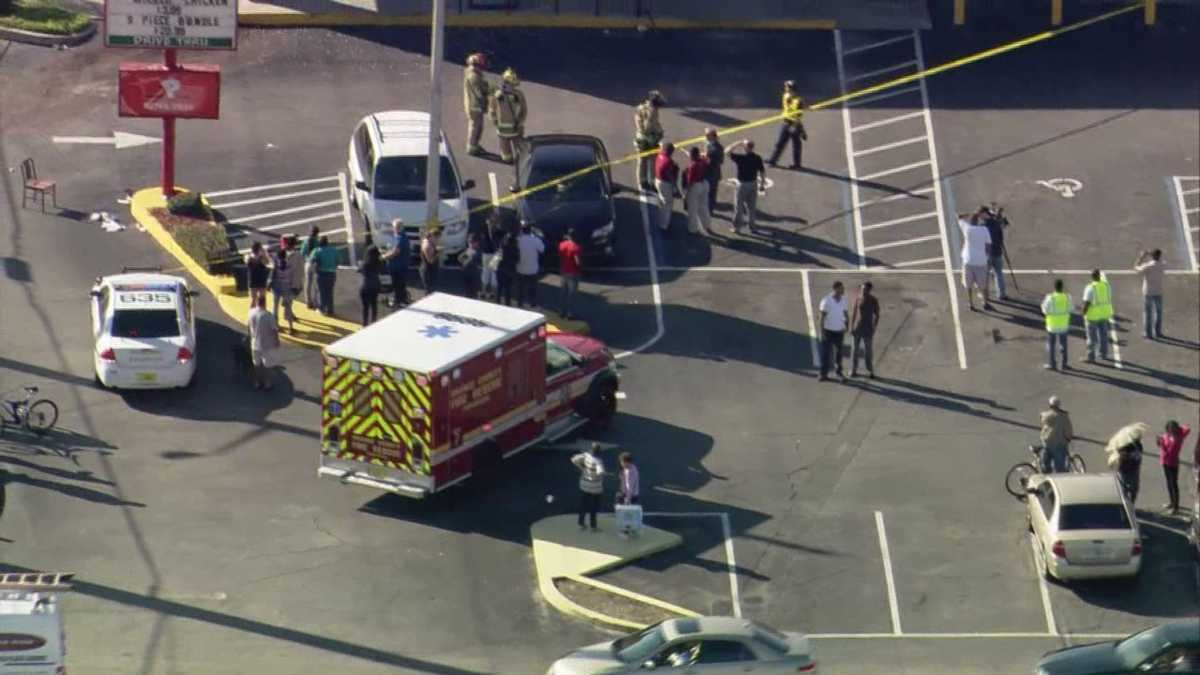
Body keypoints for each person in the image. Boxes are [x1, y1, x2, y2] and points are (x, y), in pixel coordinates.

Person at [489, 68, 527, 164]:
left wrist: (494, 121)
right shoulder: (519, 94)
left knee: (505, 149)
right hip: (516, 128)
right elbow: (524, 110)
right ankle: (521, 162)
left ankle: (508, 159)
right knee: (519, 147)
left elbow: (491, 109)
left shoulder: (498, 94)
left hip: (502, 129)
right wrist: (521, 123)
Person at [727, 139, 765, 235]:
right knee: (751, 207)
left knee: (738, 206)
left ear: (746, 147)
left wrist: (737, 143)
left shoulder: (741, 158)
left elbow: (727, 151)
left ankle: (737, 227)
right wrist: (762, 184)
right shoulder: (757, 158)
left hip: (742, 185)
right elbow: (762, 171)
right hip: (753, 184)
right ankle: (752, 227)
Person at [958, 209, 993, 311]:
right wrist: (986, 257)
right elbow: (988, 246)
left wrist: (967, 213)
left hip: (968, 260)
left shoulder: (967, 229)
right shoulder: (984, 230)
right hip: (981, 261)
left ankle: (971, 304)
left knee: (968, 285)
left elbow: (959, 217)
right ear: (978, 221)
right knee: (983, 285)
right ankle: (985, 303)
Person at [768, 80, 807, 168]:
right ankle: (773, 160)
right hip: (786, 122)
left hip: (794, 124)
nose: (785, 88)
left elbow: (798, 116)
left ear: (791, 89)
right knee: (780, 143)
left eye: (787, 87)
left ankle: (797, 164)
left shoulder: (798, 101)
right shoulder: (785, 96)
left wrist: (796, 127)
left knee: (796, 145)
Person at [268, 235, 301, 333]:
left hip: (276, 286)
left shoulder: (276, 262)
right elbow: (296, 275)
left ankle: (275, 325)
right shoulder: (290, 265)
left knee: (275, 306)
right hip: (287, 287)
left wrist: (269, 283)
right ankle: (290, 327)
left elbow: (271, 271)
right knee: (288, 307)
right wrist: (296, 286)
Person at [633, 90, 666, 190]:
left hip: (645, 137)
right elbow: (647, 126)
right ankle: (646, 182)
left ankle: (645, 182)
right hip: (646, 138)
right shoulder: (650, 111)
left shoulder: (644, 108)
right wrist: (658, 133)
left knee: (645, 161)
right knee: (647, 161)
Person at [247, 295, 280, 391]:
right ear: (265, 303)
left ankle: (257, 382)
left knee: (256, 364)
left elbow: (248, 326)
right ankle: (267, 383)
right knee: (267, 365)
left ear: (257, 302)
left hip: (254, 343)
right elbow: (274, 330)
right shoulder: (268, 315)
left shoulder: (251, 313)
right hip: (267, 344)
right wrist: (276, 341)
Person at [1080, 269, 1114, 363]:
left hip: (1093, 316)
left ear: (1092, 277)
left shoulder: (1090, 288)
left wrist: (1083, 313)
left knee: (1091, 338)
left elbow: (1087, 302)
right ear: (1099, 276)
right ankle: (1103, 353)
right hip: (1104, 313)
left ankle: (1091, 357)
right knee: (1103, 335)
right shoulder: (1106, 285)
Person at [1157, 420, 1190, 515]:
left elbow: (1169, 451)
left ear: (1176, 429)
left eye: (1173, 428)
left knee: (1173, 484)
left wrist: (1162, 444)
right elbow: (1160, 445)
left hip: (1173, 463)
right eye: (1169, 428)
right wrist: (1159, 442)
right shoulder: (1166, 436)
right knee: (1169, 483)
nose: (1171, 430)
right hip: (1165, 462)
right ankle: (1172, 502)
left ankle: (1176, 507)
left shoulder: (1178, 438)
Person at [818, 281, 849, 382]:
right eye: (841, 288)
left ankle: (839, 373)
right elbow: (822, 317)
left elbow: (845, 313)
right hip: (828, 331)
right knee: (826, 353)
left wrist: (847, 325)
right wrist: (822, 332)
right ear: (835, 289)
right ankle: (823, 374)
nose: (843, 289)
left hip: (839, 331)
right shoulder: (826, 300)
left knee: (839, 354)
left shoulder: (844, 300)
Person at [571, 442, 605, 532]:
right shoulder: (598, 461)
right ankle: (593, 526)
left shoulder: (586, 456)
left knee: (583, 505)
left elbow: (574, 459)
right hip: (595, 488)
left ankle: (581, 523)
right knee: (594, 507)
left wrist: (582, 468)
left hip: (584, 485)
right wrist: (602, 473)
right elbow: (600, 472)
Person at [849, 281, 880, 378]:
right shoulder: (858, 299)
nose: (863, 291)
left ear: (869, 290)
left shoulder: (873, 300)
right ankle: (853, 370)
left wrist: (874, 327)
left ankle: (870, 370)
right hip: (858, 328)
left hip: (868, 329)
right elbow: (854, 313)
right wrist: (851, 326)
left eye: (865, 289)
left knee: (868, 351)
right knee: (855, 351)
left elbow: (877, 315)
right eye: (862, 289)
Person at [463, 53, 491, 156]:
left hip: (476, 105)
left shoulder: (474, 73)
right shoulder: (474, 76)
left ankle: (475, 144)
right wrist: (489, 90)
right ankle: (471, 147)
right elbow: (480, 91)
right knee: (475, 127)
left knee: (479, 127)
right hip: (474, 106)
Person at [1040, 278, 1071, 371]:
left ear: (1055, 287)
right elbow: (1071, 308)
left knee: (1051, 345)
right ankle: (1064, 364)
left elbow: (1044, 310)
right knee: (1063, 345)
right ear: (1062, 287)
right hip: (1063, 325)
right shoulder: (1067, 297)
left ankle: (1052, 364)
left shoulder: (1050, 298)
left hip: (1052, 326)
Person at [1133, 248, 1164, 339]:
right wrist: (1152, 254)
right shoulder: (1162, 264)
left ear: (1152, 256)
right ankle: (1158, 332)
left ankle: (1148, 333)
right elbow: (1159, 260)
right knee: (1158, 313)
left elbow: (1136, 268)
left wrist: (1141, 257)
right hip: (1159, 291)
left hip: (1148, 292)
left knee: (1148, 313)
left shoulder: (1148, 266)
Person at [1039, 396, 1073, 473]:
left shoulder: (1044, 415)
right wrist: (1068, 438)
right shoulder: (1063, 416)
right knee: (1059, 468)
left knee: (1045, 466)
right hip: (1059, 444)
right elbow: (1068, 430)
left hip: (1046, 443)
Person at [381, 219, 410, 308]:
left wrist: (383, 257)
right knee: (396, 284)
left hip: (399, 267)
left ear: (399, 227)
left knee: (398, 285)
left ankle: (400, 301)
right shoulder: (396, 236)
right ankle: (400, 300)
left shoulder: (401, 238)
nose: (394, 229)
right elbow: (391, 248)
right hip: (395, 266)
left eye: (395, 227)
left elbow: (395, 252)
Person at [982, 204, 1009, 300]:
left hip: (987, 253)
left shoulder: (983, 226)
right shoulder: (996, 223)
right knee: (999, 273)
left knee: (985, 274)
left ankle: (985, 295)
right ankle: (1001, 294)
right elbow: (1002, 233)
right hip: (997, 251)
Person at [683, 146, 711, 236]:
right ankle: (706, 224)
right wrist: (684, 151)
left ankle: (692, 229)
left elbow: (690, 180)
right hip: (705, 183)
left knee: (692, 208)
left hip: (695, 186)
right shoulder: (702, 161)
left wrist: (686, 193)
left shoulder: (693, 166)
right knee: (703, 206)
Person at [1109, 432, 1143, 505]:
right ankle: (1125, 503)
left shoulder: (1138, 445)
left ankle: (1131, 502)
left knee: (1134, 488)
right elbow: (1118, 454)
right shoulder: (1122, 445)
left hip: (1133, 469)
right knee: (1123, 488)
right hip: (1124, 469)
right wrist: (1122, 454)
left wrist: (1129, 455)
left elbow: (1139, 456)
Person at [308, 236, 339, 316]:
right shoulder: (334, 250)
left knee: (321, 292)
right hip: (332, 273)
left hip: (321, 273)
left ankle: (321, 309)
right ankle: (330, 309)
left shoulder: (317, 251)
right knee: (329, 292)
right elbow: (338, 261)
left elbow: (311, 261)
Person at [516, 221, 544, 307]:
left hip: (520, 268)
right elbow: (542, 249)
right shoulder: (536, 240)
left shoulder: (518, 240)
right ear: (530, 230)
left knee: (520, 288)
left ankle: (520, 303)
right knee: (532, 288)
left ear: (522, 230)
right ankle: (533, 303)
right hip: (533, 269)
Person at [653, 142, 680, 233]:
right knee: (667, 203)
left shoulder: (659, 155)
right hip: (665, 183)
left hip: (657, 180)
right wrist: (675, 187)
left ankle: (661, 218)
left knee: (662, 200)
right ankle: (663, 225)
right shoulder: (668, 161)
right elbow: (670, 175)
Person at [557, 229, 582, 319]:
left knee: (563, 292)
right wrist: (580, 268)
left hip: (564, 271)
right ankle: (569, 313)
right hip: (573, 273)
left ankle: (561, 311)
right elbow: (577, 261)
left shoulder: (562, 245)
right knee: (571, 294)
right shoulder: (575, 247)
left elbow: (560, 255)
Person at [357, 243, 383, 325]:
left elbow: (359, 270)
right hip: (375, 285)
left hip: (366, 286)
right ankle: (374, 321)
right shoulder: (378, 262)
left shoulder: (365, 264)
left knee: (365, 307)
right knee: (374, 304)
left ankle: (365, 323)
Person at [479, 212, 502, 300]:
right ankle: (492, 293)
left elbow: (480, 236)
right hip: (495, 254)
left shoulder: (484, 228)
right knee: (494, 273)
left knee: (485, 271)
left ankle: (483, 291)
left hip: (486, 252)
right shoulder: (498, 229)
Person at [704, 128, 724, 213]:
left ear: (711, 136)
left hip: (710, 174)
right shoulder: (719, 146)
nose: (705, 136)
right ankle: (711, 205)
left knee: (710, 193)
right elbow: (721, 161)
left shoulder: (712, 149)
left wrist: (704, 156)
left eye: (707, 135)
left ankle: (710, 210)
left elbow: (708, 161)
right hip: (716, 173)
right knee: (713, 192)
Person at [497, 230, 519, 306]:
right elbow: (517, 259)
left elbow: (497, 259)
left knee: (499, 287)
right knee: (508, 289)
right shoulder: (515, 249)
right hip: (510, 270)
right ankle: (507, 303)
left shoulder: (502, 248)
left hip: (500, 270)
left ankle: (497, 301)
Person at [301, 226, 321, 310]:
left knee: (308, 283)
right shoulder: (317, 241)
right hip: (315, 264)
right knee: (316, 284)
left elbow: (302, 253)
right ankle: (316, 301)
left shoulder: (306, 241)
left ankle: (308, 302)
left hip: (308, 263)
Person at [458, 234, 483, 299]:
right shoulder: (469, 250)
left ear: (477, 243)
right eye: (469, 242)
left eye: (471, 242)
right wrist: (465, 255)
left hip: (474, 277)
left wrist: (469, 258)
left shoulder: (479, 252)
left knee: (473, 295)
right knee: (467, 294)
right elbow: (460, 259)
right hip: (467, 275)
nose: (470, 244)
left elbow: (478, 264)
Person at [246, 241, 270, 306]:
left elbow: (267, 262)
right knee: (261, 299)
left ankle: (252, 314)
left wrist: (263, 254)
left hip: (254, 280)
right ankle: (261, 313)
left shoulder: (249, 256)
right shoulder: (251, 257)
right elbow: (267, 262)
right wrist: (264, 253)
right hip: (260, 280)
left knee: (254, 299)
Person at [419, 228, 440, 294]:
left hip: (430, 270)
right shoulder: (427, 246)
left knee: (430, 291)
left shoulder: (427, 241)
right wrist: (438, 253)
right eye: (437, 238)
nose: (438, 240)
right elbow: (430, 260)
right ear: (433, 236)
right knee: (429, 291)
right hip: (428, 271)